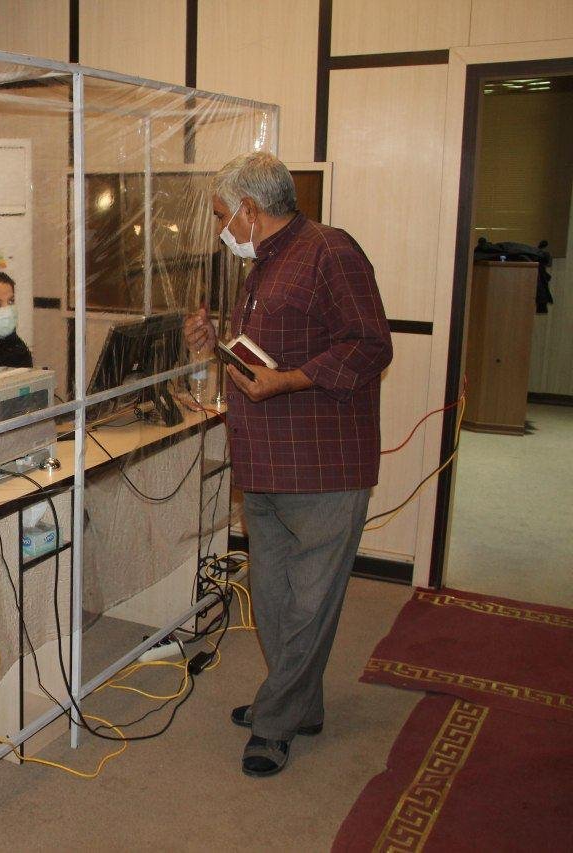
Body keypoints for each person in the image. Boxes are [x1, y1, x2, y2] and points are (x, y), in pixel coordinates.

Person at [184, 152, 392, 778]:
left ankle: (275, 723)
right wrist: (215, 343)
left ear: (249, 209)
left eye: (221, 215)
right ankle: (302, 704)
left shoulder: (331, 251)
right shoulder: (266, 264)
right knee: (272, 597)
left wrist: (291, 381)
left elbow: (370, 345)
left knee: (309, 605)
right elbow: (269, 350)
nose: (220, 228)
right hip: (266, 461)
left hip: (323, 464)